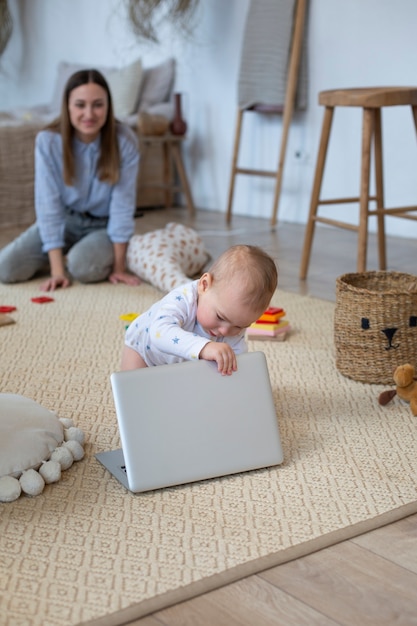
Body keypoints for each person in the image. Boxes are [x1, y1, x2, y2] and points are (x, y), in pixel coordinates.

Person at [0, 69, 141, 291]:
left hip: (103, 225)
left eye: (97, 104)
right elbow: (48, 206)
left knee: (83, 268)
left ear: (108, 106)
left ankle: (75, 255)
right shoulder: (48, 142)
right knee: (6, 269)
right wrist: (57, 272)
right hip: (65, 220)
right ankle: (58, 253)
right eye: (80, 104)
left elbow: (123, 207)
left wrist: (119, 267)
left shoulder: (125, 141)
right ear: (67, 105)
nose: (89, 114)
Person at [121, 244, 278, 375]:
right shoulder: (182, 300)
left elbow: (237, 357)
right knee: (133, 392)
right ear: (204, 285)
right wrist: (204, 347)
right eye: (220, 317)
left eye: (240, 326)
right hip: (143, 350)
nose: (225, 331)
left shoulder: (232, 319)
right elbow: (159, 332)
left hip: (179, 362)